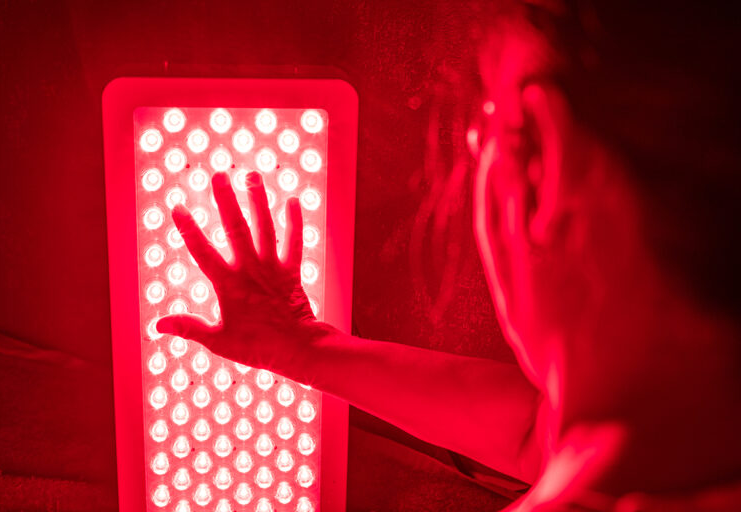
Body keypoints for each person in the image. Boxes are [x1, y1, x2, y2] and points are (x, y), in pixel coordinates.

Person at [157, 1, 741, 509]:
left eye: (482, 126)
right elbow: (532, 432)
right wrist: (305, 347)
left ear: (545, 163)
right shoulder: (693, 430)